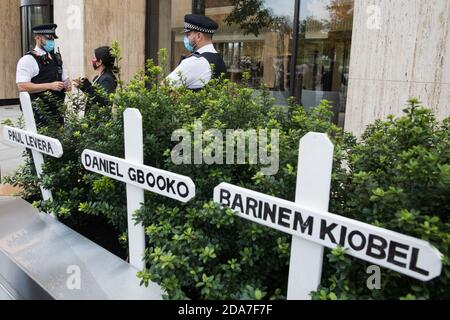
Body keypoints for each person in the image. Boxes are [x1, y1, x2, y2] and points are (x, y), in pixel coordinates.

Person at [16, 23, 71, 126]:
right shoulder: (28, 60)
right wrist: (49, 86)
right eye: (48, 38)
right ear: (37, 37)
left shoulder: (57, 58)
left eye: (53, 39)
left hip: (57, 112)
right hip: (39, 114)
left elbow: (66, 80)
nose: (51, 42)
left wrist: (67, 84)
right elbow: (22, 86)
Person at [167, 14, 227, 91]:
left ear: (198, 36)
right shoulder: (219, 59)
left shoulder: (195, 61)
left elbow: (164, 87)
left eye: (188, 34)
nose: (186, 38)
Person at [73, 46, 118, 113]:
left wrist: (86, 86)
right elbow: (93, 95)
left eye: (94, 57)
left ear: (100, 62)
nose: (93, 59)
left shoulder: (108, 79)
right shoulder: (98, 77)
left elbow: (102, 101)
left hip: (100, 121)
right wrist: (82, 86)